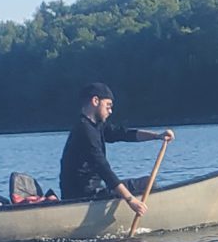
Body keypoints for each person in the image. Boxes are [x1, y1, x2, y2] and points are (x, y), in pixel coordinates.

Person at [59, 80, 172, 215]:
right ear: (95, 101)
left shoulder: (95, 126)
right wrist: (131, 200)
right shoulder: (84, 131)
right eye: (108, 106)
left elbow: (122, 133)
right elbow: (103, 168)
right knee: (148, 184)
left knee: (147, 183)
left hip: (92, 192)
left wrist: (157, 136)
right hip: (84, 196)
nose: (110, 111)